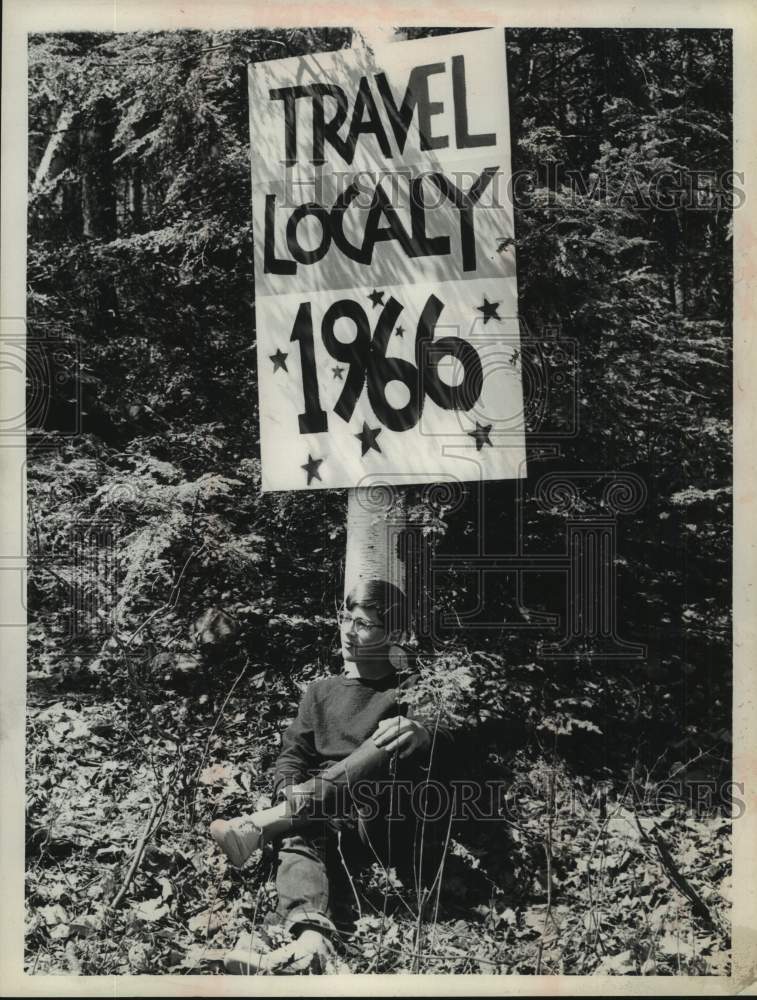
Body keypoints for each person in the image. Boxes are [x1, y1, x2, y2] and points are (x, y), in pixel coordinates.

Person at [209, 578, 450, 974]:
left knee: (390, 736)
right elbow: (291, 755)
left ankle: (263, 825)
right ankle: (310, 941)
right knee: (300, 836)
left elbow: (452, 740)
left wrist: (422, 732)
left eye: (364, 623)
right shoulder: (320, 692)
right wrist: (290, 790)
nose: (349, 631)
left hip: (382, 817)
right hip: (324, 819)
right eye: (345, 619)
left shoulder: (410, 688)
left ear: (394, 633)